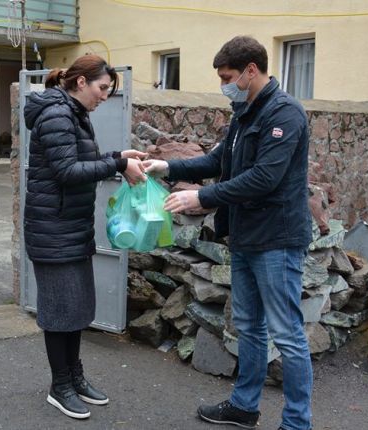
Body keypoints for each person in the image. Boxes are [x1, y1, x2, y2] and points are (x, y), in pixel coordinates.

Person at [144, 36, 313, 430]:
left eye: (228, 77)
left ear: (251, 70)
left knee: (287, 334)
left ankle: (297, 423)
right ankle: (244, 407)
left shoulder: (285, 113)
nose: (224, 84)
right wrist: (166, 168)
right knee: (250, 327)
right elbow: (219, 160)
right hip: (246, 236)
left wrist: (202, 196)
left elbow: (264, 178)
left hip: (277, 240)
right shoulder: (243, 112)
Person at [23, 54, 146, 420]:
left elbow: (82, 159)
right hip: (53, 229)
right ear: (80, 83)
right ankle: (59, 386)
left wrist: (117, 156)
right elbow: (66, 170)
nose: (104, 96)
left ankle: (74, 378)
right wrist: (119, 165)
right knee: (59, 311)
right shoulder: (56, 114)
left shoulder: (74, 114)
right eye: (102, 88)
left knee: (75, 310)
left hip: (70, 227)